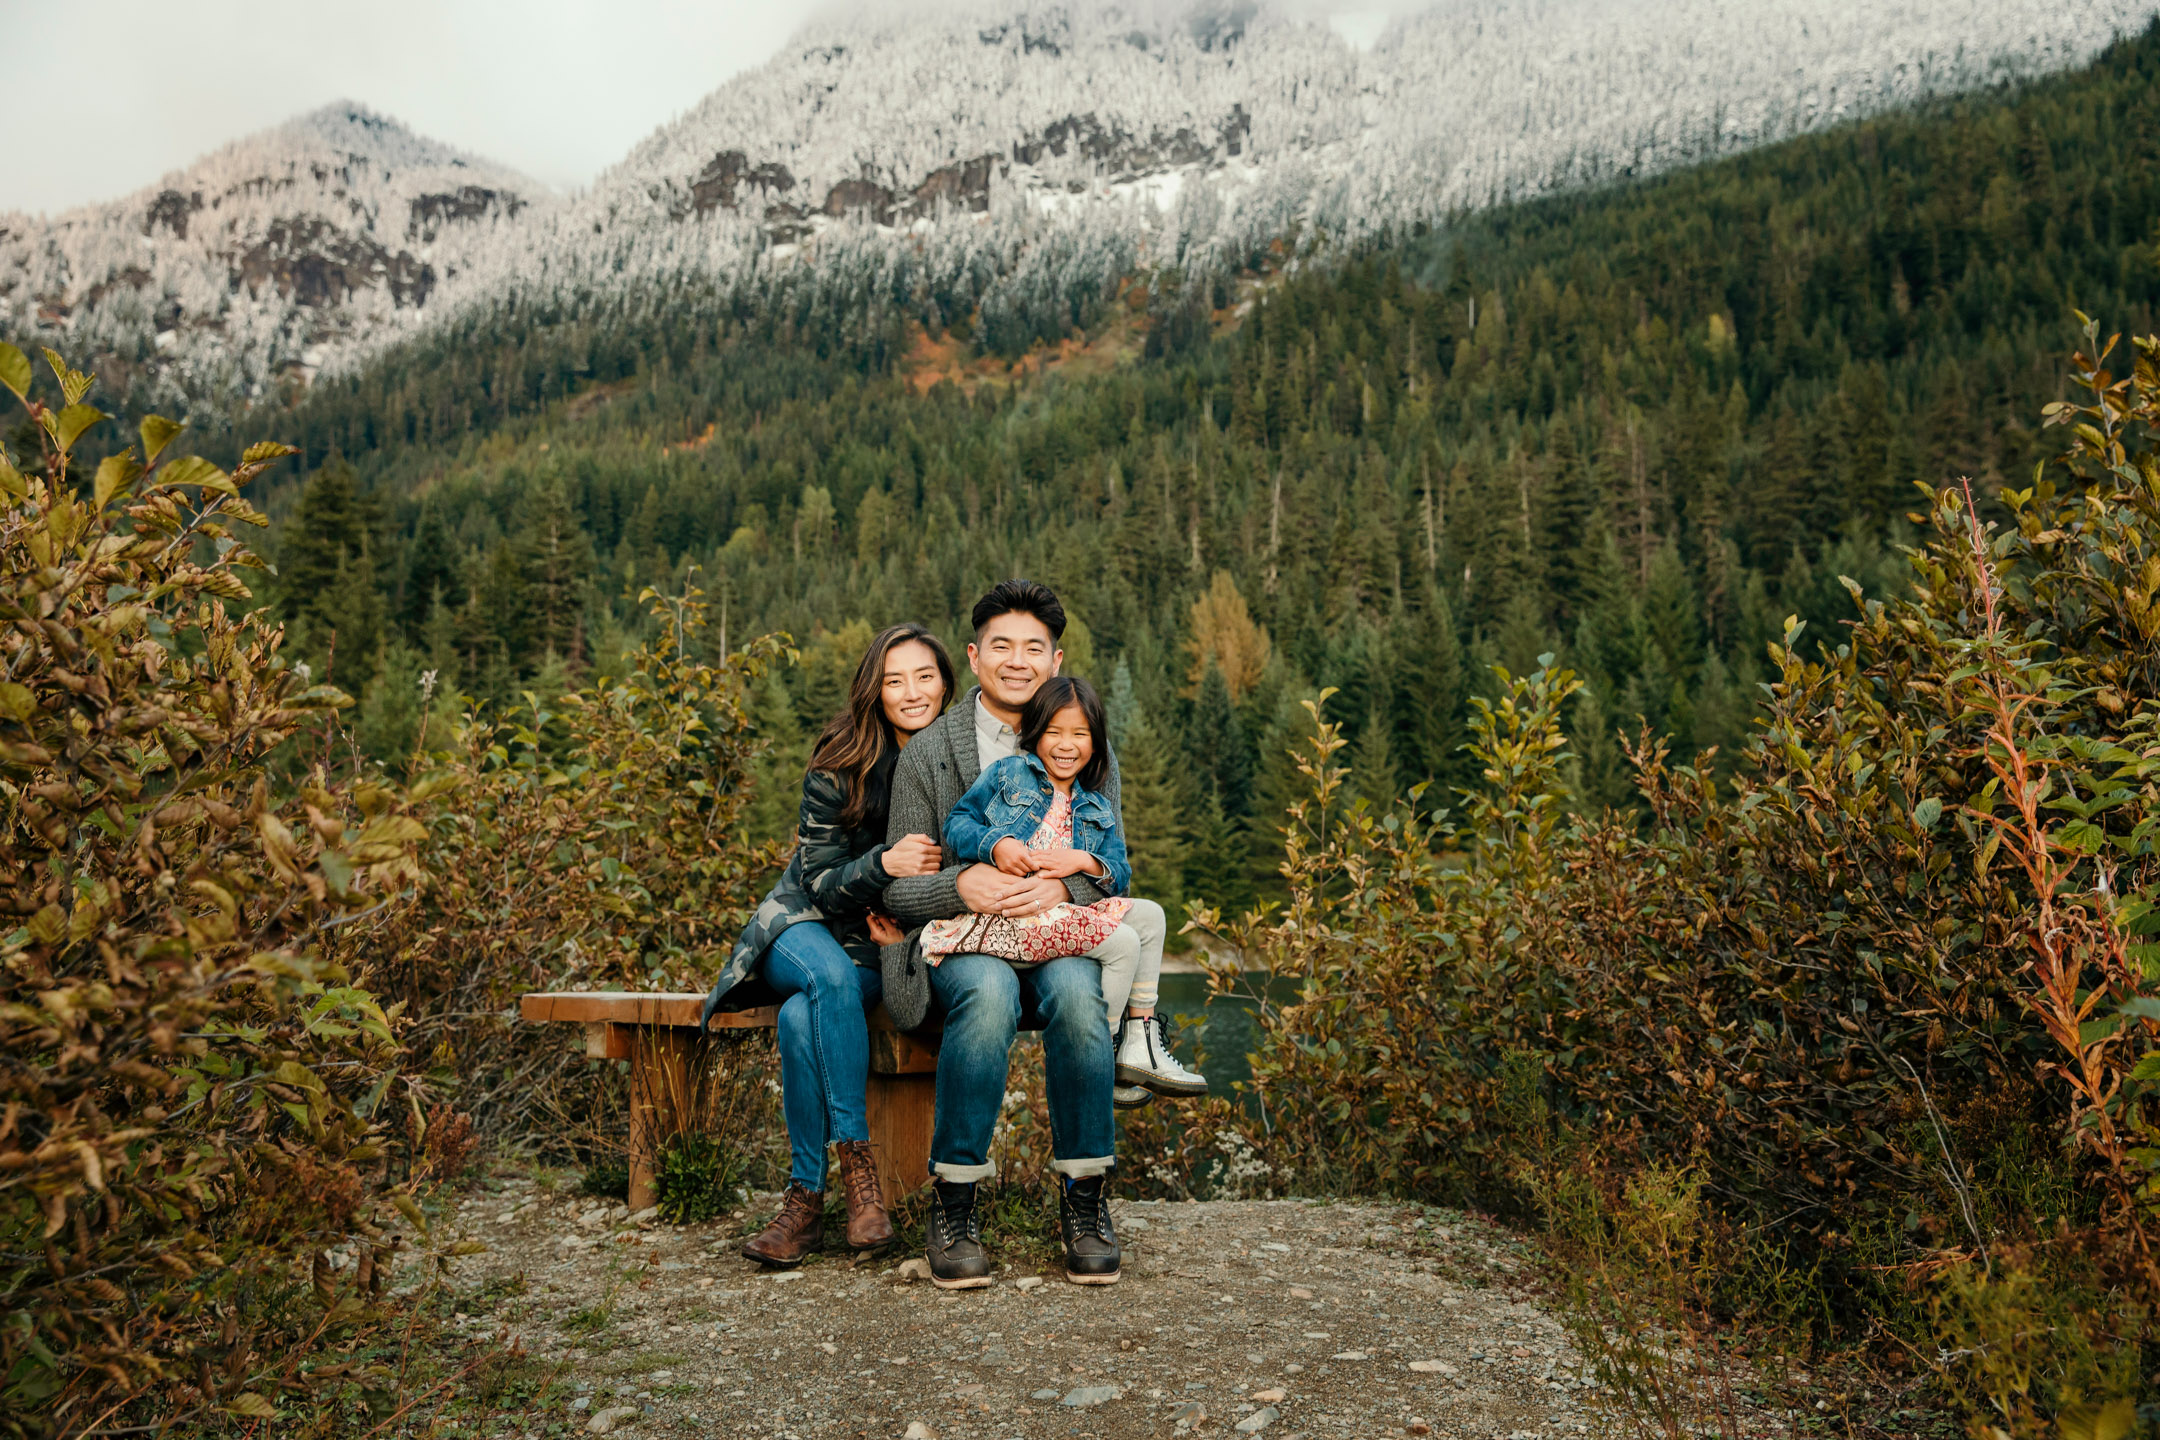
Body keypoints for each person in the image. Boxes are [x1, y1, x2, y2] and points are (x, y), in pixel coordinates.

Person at [881, 579, 1127, 1289]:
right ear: (975, 655)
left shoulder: (1084, 743)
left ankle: (1085, 1200)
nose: (1017, 661)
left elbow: (1114, 872)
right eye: (1001, 647)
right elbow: (899, 889)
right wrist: (958, 883)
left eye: (1033, 648)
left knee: (1080, 996)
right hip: (965, 941)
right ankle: (955, 1203)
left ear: (1055, 659)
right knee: (986, 992)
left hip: (1057, 938)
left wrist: (1062, 885)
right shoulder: (930, 753)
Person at [698, 623, 954, 1264]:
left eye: (925, 676)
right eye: (895, 680)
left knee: (797, 1017)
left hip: (877, 942)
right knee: (827, 983)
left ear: (947, 682)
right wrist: (886, 865)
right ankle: (860, 1179)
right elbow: (820, 880)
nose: (912, 692)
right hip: (803, 924)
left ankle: (803, 1205)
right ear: (875, 689)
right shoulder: (841, 760)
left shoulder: (960, 760)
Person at [936, 674, 1207, 1102]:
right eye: (1054, 732)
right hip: (1012, 918)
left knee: (1152, 917)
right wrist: (997, 844)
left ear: (1096, 742)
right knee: (1122, 944)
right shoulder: (1008, 774)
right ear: (1034, 733)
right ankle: (1110, 1056)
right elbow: (957, 824)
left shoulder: (1095, 806)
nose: (1066, 744)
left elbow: (1120, 874)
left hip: (1061, 915)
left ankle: (1141, 1039)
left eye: (1079, 733)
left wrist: (1083, 861)